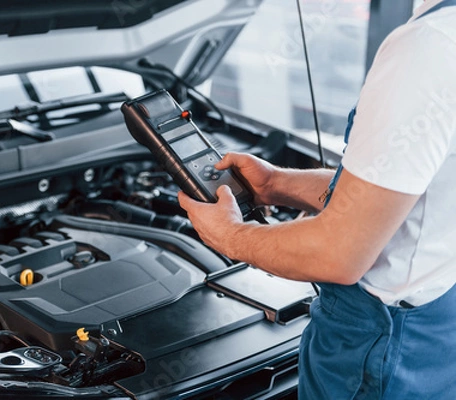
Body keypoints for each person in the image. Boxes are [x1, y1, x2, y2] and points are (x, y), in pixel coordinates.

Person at [178, 0, 456, 398]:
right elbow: (399, 194)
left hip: (377, 349)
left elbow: (337, 253)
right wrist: (276, 182)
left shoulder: (428, 47)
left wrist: (229, 235)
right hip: (435, 332)